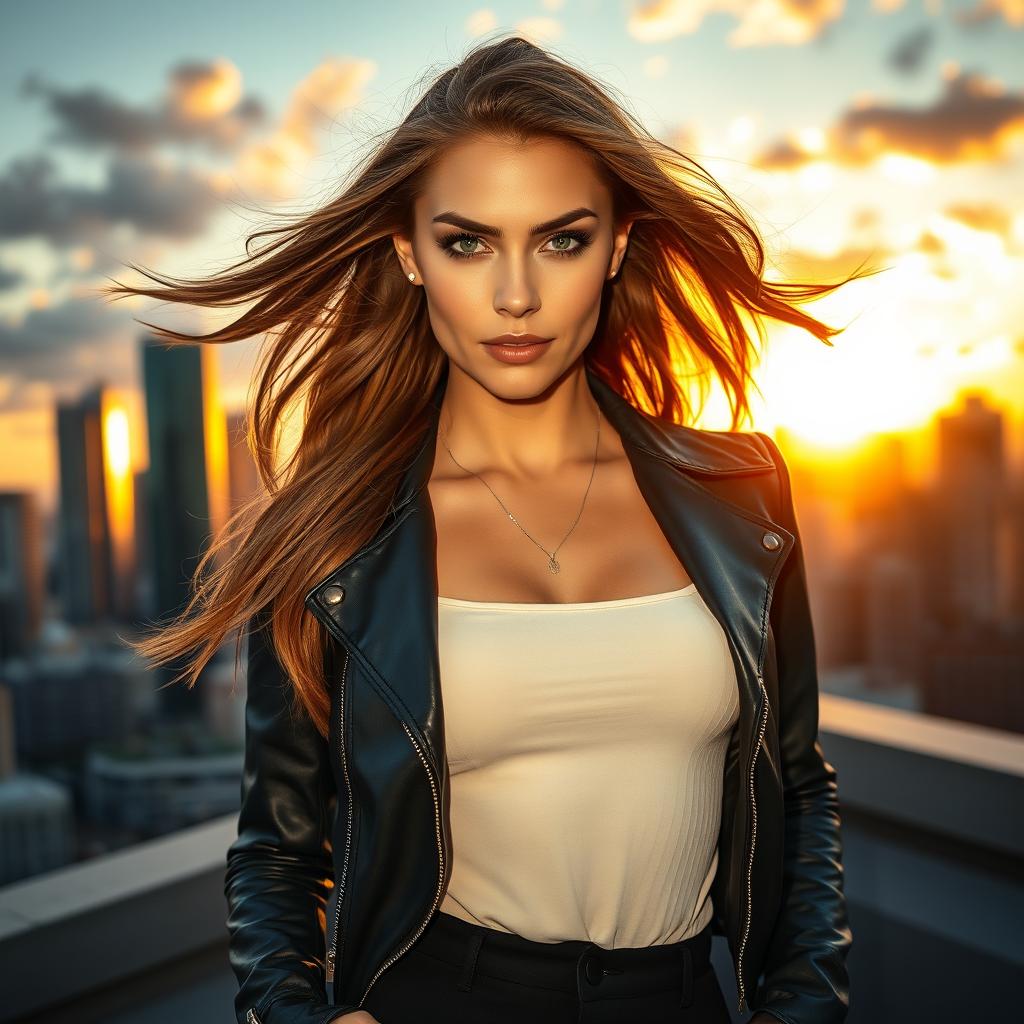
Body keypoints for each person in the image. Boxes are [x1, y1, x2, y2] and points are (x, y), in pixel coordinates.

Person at [107, 34, 868, 1024]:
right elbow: (278, 850)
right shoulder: (332, 538)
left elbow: (799, 791)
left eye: (562, 239)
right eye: (467, 241)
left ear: (619, 246)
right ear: (408, 255)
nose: (516, 295)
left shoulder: (741, 496)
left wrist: (802, 1006)